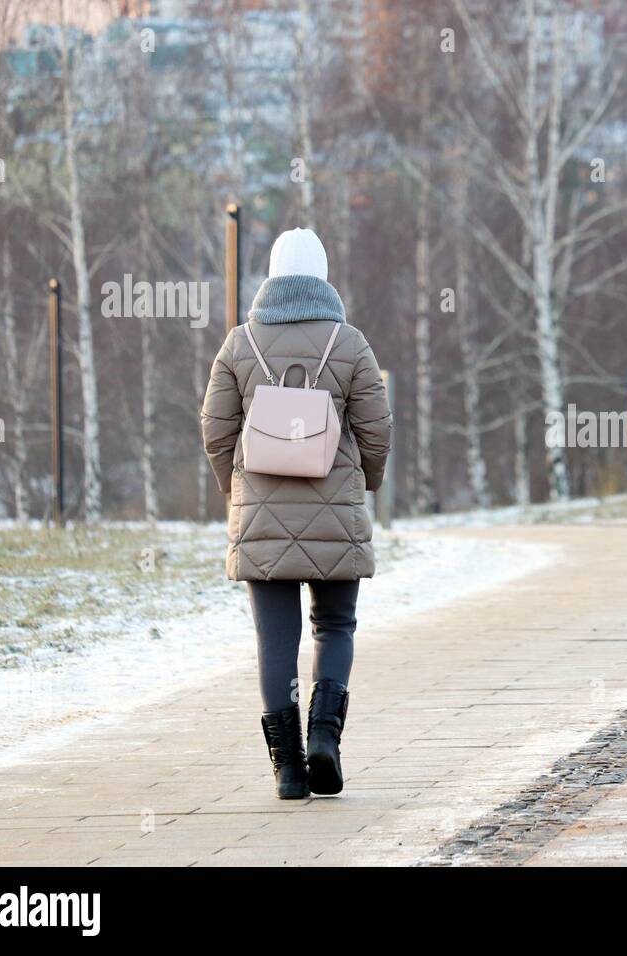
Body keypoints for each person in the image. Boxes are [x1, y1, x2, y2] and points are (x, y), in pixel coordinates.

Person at [201, 228, 392, 799]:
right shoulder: (350, 343)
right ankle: (324, 740)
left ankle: (287, 770)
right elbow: (377, 430)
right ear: (324, 275)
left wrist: (235, 495)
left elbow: (215, 431)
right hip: (336, 514)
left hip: (260, 516)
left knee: (275, 643)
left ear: (272, 275)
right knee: (334, 627)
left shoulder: (240, 343)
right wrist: (364, 486)